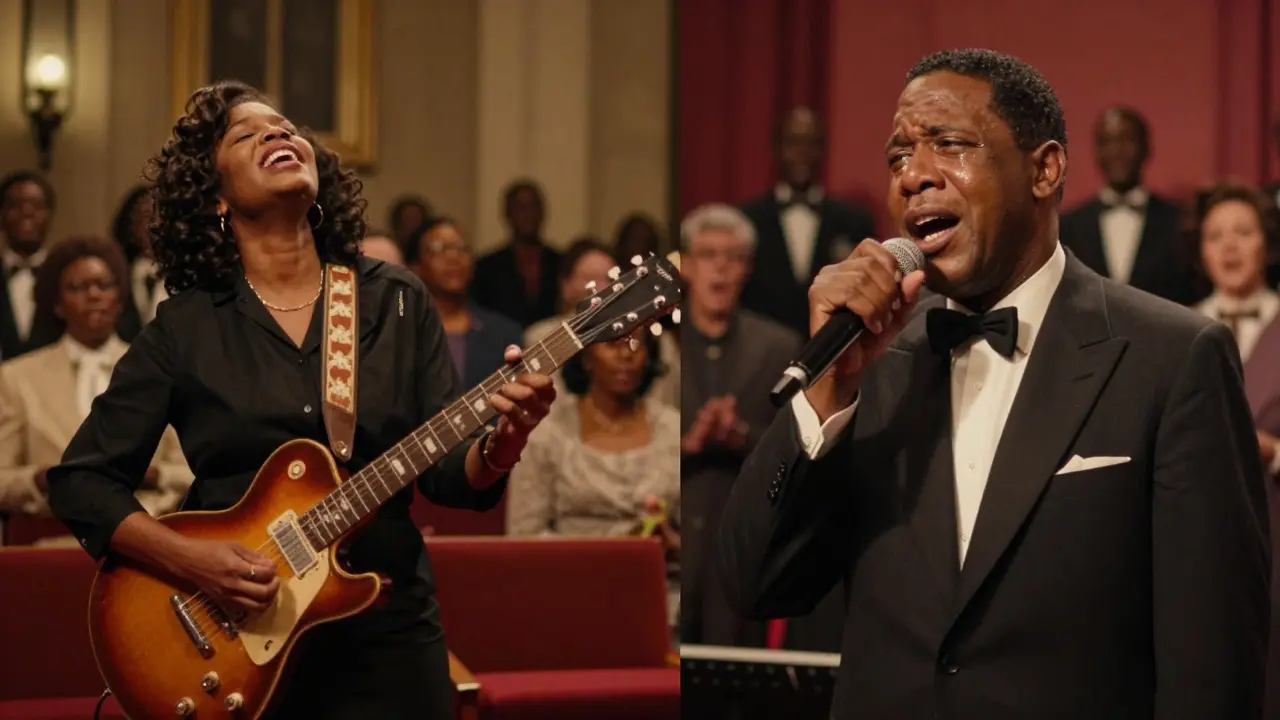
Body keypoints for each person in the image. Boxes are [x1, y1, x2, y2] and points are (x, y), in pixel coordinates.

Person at [717, 49, 1269, 719]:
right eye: (898, 157)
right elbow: (754, 584)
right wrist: (829, 390)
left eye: (949, 144)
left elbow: (1213, 668)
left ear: (1044, 169)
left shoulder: (1173, 358)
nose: (914, 175)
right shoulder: (871, 366)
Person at [45, 80, 557, 719]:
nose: (278, 134)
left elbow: (451, 476)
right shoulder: (187, 327)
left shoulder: (394, 299)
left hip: (385, 628)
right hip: (236, 638)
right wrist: (194, 561)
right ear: (216, 198)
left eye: (286, 127)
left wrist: (507, 439)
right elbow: (81, 481)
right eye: (246, 134)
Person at [0, 236, 192, 543]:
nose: (93, 295)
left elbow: (192, 471)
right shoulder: (16, 377)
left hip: (150, 546)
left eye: (104, 285)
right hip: (50, 548)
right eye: (77, 288)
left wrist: (153, 474)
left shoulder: (159, 368)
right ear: (57, 303)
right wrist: (40, 478)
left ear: (119, 297)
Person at [506, 328, 680, 627]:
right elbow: (523, 538)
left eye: (637, 345)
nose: (626, 354)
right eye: (613, 344)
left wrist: (672, 544)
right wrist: (608, 553)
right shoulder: (547, 433)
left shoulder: (673, 428)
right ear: (586, 356)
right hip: (571, 597)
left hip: (661, 596)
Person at [739, 106, 877, 336]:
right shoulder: (746, 221)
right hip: (762, 359)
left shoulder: (855, 221)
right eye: (793, 142)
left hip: (832, 351)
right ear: (776, 149)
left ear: (823, 150)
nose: (801, 153)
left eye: (810, 144)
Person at [1059, 107, 1196, 305]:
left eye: (1127, 140)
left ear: (1147, 148)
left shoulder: (1179, 221)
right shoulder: (1067, 227)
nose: (1117, 151)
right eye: (1107, 142)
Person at [406, 216, 523, 389]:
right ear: (416, 267)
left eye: (462, 249)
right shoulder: (402, 330)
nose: (454, 258)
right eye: (440, 249)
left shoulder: (504, 334)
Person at [471, 179, 562, 327]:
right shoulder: (486, 267)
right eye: (520, 207)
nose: (528, 214)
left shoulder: (560, 262)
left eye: (533, 206)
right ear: (507, 214)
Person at [0, 170, 56, 359]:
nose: (27, 212)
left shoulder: (64, 275)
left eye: (36, 205)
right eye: (16, 205)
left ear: (49, 216)